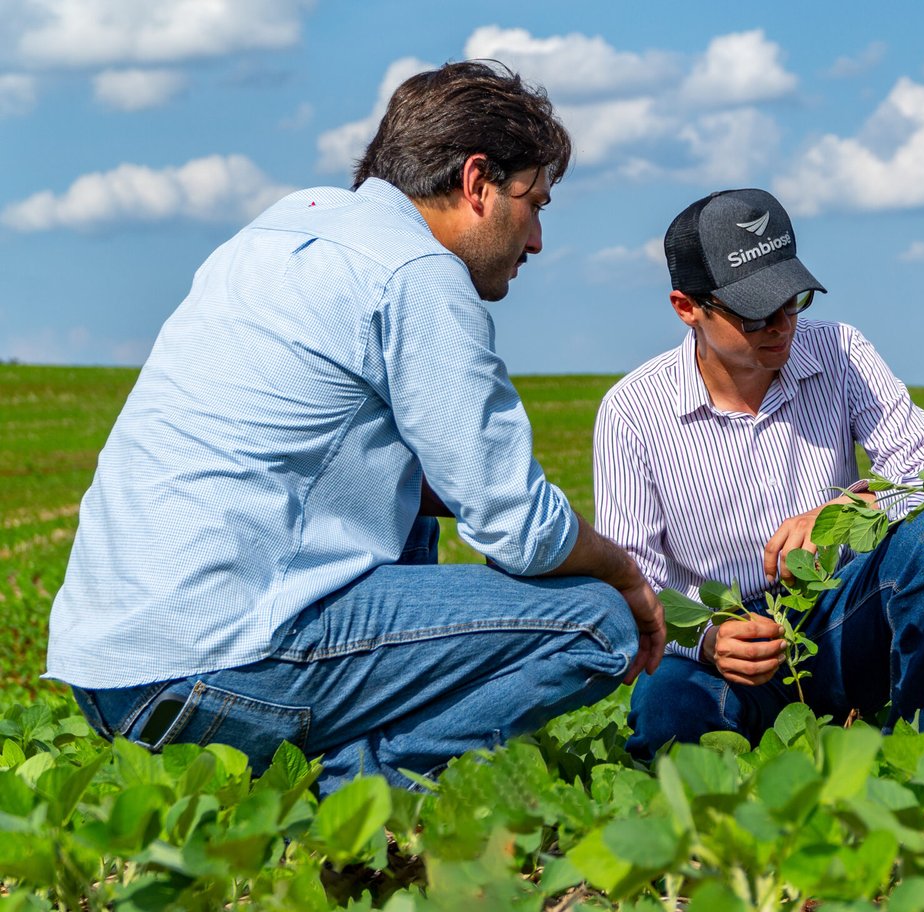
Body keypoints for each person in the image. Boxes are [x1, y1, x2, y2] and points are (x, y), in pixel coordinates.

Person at [46, 61, 664, 794]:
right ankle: (360, 790)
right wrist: (626, 574)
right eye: (535, 202)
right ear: (476, 183)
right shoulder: (417, 275)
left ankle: (334, 761)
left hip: (107, 668)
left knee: (408, 511)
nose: (536, 240)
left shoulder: (284, 227)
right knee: (596, 623)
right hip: (209, 669)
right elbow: (515, 526)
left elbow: (425, 479)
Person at [593, 188, 924, 758]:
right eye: (754, 312)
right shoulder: (633, 410)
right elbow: (634, 586)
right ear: (687, 307)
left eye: (792, 299)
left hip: (840, 616)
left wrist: (852, 512)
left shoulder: (842, 352)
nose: (780, 324)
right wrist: (707, 641)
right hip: (726, 644)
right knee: (667, 715)